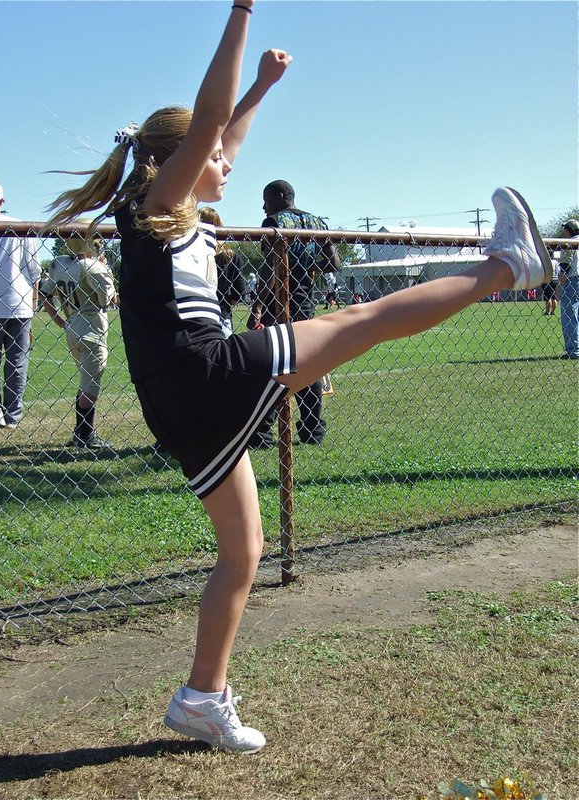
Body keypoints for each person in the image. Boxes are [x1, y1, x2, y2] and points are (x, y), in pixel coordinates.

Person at [43, 0, 551, 754]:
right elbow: (212, 120)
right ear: (184, 157)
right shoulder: (161, 203)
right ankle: (506, 268)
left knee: (243, 551)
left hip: (180, 401)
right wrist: (243, 11)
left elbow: (224, 127)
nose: (228, 163)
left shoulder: (170, 208)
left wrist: (263, 88)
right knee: (359, 321)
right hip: (201, 372)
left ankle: (200, 699)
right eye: (215, 156)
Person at [248, 179, 340, 447]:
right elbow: (333, 263)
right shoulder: (317, 223)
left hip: (277, 304)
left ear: (279, 196)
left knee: (271, 367)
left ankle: (262, 433)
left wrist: (257, 306)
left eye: (266, 199)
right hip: (304, 303)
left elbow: (269, 269)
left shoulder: (274, 222)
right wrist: (306, 263)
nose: (263, 207)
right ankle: (312, 430)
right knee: (306, 367)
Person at [39, 233, 117, 448]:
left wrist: (58, 320)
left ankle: (81, 431)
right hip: (92, 328)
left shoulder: (60, 264)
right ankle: (84, 434)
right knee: (91, 386)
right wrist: (105, 269)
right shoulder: (92, 266)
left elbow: (45, 293)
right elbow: (109, 299)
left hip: (72, 324)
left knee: (85, 383)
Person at [0, 181, 41, 429]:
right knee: (17, 362)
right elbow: (34, 269)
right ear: (2, 202)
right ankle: (13, 414)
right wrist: (34, 302)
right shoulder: (20, 227)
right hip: (20, 303)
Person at [198, 206, 246, 337]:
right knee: (223, 353)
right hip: (221, 311)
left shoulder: (191, 252)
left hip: (196, 311)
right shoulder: (230, 256)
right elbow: (240, 290)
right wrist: (228, 301)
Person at [557, 218, 579, 359]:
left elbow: (565, 267)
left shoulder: (569, 243)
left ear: (568, 230)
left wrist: (559, 286)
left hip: (572, 281)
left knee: (569, 316)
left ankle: (574, 350)